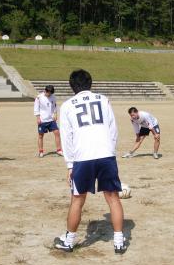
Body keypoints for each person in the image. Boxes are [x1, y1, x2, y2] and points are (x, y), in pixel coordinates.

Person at [55, 69, 126, 254]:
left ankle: (69, 241)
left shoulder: (68, 105)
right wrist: (110, 150)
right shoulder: (103, 99)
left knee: (77, 200)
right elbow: (113, 129)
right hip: (106, 155)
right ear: (90, 83)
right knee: (113, 198)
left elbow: (66, 137)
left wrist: (70, 164)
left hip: (82, 158)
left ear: (72, 86)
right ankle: (119, 241)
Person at [34, 85, 63, 158]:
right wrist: (38, 118)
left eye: (51, 93)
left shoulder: (53, 97)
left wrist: (55, 114)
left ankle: (59, 150)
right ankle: (41, 152)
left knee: (57, 133)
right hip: (42, 120)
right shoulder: (39, 97)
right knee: (41, 135)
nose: (49, 94)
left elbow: (54, 106)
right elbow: (36, 107)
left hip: (51, 119)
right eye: (48, 93)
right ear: (45, 91)